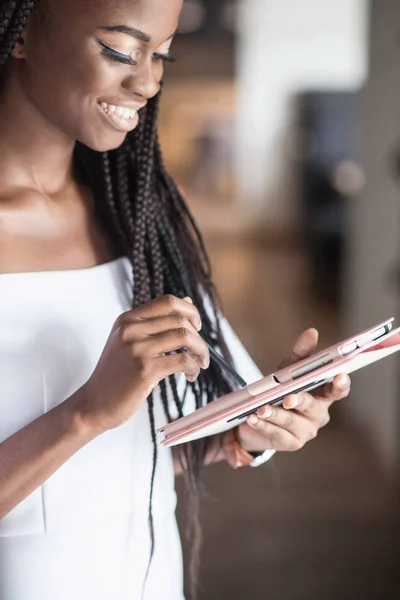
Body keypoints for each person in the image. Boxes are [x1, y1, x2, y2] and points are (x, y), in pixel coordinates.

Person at [0, 1, 351, 599]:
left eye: (161, 54)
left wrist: (252, 426)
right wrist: (85, 412)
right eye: (119, 49)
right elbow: (95, 423)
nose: (147, 81)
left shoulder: (137, 214)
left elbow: (153, 443)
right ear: (23, 32)